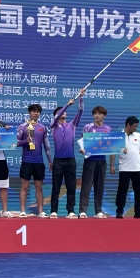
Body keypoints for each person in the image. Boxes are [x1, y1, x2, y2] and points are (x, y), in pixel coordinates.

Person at [50, 88, 85, 219]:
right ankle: (53, 211)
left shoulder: (72, 125)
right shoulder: (53, 125)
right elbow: (57, 116)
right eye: (60, 112)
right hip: (58, 161)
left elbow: (80, 111)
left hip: (70, 160)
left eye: (64, 112)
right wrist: (66, 105)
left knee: (71, 187)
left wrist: (80, 98)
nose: (63, 113)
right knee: (56, 187)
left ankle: (70, 211)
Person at [78, 105, 114, 219]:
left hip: (102, 161)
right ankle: (82, 211)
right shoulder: (88, 127)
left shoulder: (108, 129)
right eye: (95, 114)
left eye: (99, 114)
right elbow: (82, 142)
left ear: (104, 116)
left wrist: (121, 149)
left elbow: (112, 146)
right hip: (90, 160)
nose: (97, 116)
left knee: (100, 186)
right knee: (86, 186)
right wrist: (82, 149)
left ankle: (98, 211)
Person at [17, 104, 52, 218]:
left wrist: (50, 160)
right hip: (27, 161)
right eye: (33, 111)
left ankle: (40, 211)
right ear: (29, 113)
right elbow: (15, 142)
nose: (36, 113)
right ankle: (23, 210)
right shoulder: (23, 126)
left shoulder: (43, 128)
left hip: (39, 162)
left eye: (38, 112)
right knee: (24, 186)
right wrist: (25, 141)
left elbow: (47, 146)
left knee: (39, 187)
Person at [110, 116, 140, 219]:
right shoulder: (119, 136)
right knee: (122, 191)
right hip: (124, 168)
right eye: (135, 126)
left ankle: (138, 211)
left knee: (138, 191)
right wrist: (112, 165)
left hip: (137, 168)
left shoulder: (138, 135)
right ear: (128, 125)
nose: (136, 128)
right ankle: (119, 211)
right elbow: (113, 152)